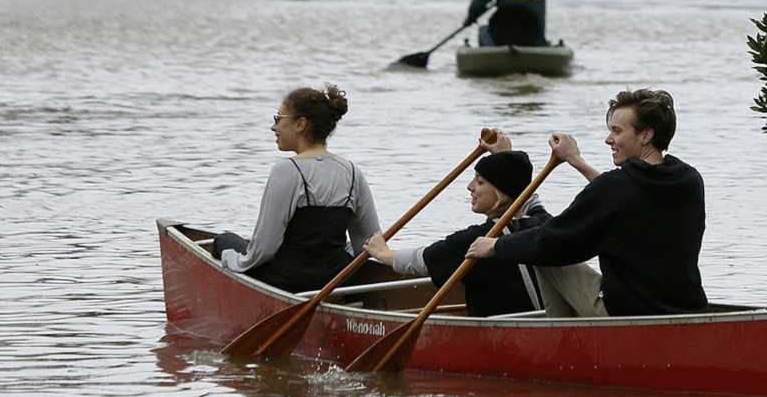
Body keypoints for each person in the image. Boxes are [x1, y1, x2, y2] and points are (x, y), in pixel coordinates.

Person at [465, 88, 706, 317]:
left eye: (617, 131)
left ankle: (560, 339)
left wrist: (497, 246)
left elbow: (555, 240)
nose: (608, 140)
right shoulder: (689, 180)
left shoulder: (616, 188)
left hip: (627, 312)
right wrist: (574, 160)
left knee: (541, 253)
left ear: (646, 135)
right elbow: (625, 194)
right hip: (686, 305)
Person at [212, 84, 379, 293]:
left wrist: (233, 260)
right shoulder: (353, 171)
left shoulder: (286, 170)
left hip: (288, 280)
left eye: (278, 119)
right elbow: (369, 243)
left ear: (300, 124)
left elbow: (263, 249)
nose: (274, 128)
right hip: (337, 280)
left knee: (224, 240)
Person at [364, 143, 549, 317]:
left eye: (480, 182)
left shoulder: (476, 241)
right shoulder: (544, 223)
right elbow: (526, 194)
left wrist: (383, 253)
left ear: (500, 192)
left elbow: (423, 261)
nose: (470, 187)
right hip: (544, 326)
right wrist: (503, 157)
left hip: (497, 337)